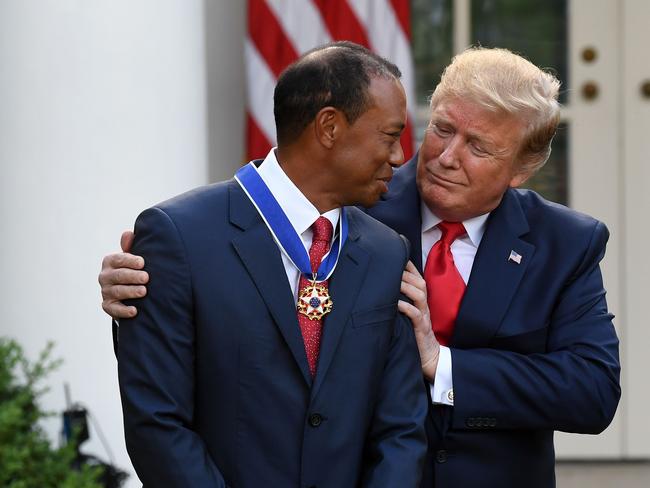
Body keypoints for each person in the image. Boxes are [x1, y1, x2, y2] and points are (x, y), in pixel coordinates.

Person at [101, 47, 621, 487]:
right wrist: (142, 283)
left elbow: (593, 392)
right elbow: (233, 259)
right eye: (441, 129)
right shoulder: (351, 198)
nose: (443, 156)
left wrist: (443, 366)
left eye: (479, 147)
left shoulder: (566, 244)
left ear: (522, 169)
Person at [107, 41, 428, 487]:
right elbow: (157, 422)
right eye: (390, 136)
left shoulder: (386, 251)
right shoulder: (178, 236)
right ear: (329, 127)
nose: (399, 157)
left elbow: (401, 430)